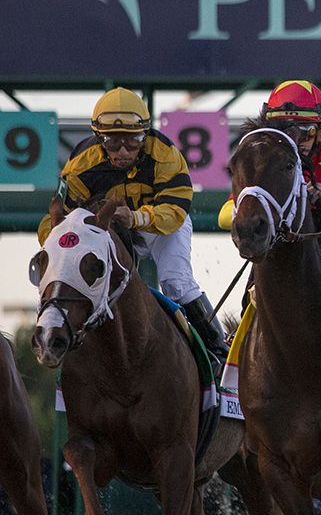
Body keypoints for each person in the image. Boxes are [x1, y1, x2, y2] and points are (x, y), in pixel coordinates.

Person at [36, 88, 229, 369]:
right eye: (113, 142)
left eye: (133, 140)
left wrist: (137, 218)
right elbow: (54, 223)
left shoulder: (167, 156)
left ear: (146, 135)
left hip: (160, 227)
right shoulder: (80, 165)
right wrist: (57, 247)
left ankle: (217, 351)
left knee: (176, 282)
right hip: (109, 231)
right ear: (99, 138)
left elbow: (175, 213)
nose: (123, 151)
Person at [217, 80, 321, 288]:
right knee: (256, 279)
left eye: (307, 131)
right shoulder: (268, 157)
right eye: (286, 131)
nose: (296, 141)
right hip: (296, 240)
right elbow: (224, 215)